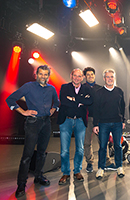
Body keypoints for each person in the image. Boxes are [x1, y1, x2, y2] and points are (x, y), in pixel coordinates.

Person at [6, 65, 59, 198]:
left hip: (47, 123)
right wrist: (24, 112)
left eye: (46, 74)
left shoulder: (51, 88)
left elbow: (57, 103)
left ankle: (39, 176)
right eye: (41, 74)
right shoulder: (28, 86)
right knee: (27, 156)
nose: (43, 76)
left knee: (42, 153)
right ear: (36, 74)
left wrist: (53, 109)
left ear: (48, 76)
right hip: (33, 123)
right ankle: (21, 185)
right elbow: (10, 99)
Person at [57, 68, 93, 185]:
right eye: (75, 75)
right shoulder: (64, 87)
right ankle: (65, 173)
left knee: (80, 149)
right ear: (71, 76)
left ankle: (77, 171)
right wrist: (81, 101)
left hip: (80, 121)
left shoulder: (87, 88)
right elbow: (64, 101)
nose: (77, 78)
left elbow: (90, 101)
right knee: (64, 150)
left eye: (79, 76)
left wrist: (73, 99)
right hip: (66, 121)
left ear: (82, 77)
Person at [93, 69, 125, 179]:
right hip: (103, 124)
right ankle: (101, 168)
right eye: (107, 77)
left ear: (114, 78)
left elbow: (122, 107)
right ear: (104, 78)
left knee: (118, 146)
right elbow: (95, 109)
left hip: (117, 123)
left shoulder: (119, 91)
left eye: (111, 76)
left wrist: (123, 121)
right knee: (102, 147)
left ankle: (119, 166)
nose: (110, 79)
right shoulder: (99, 93)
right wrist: (95, 124)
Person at [82, 67, 115, 173]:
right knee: (87, 142)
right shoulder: (82, 88)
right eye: (88, 75)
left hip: (100, 119)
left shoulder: (101, 88)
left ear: (94, 76)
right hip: (86, 118)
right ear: (85, 77)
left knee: (103, 141)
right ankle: (90, 163)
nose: (90, 76)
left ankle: (107, 162)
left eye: (92, 74)